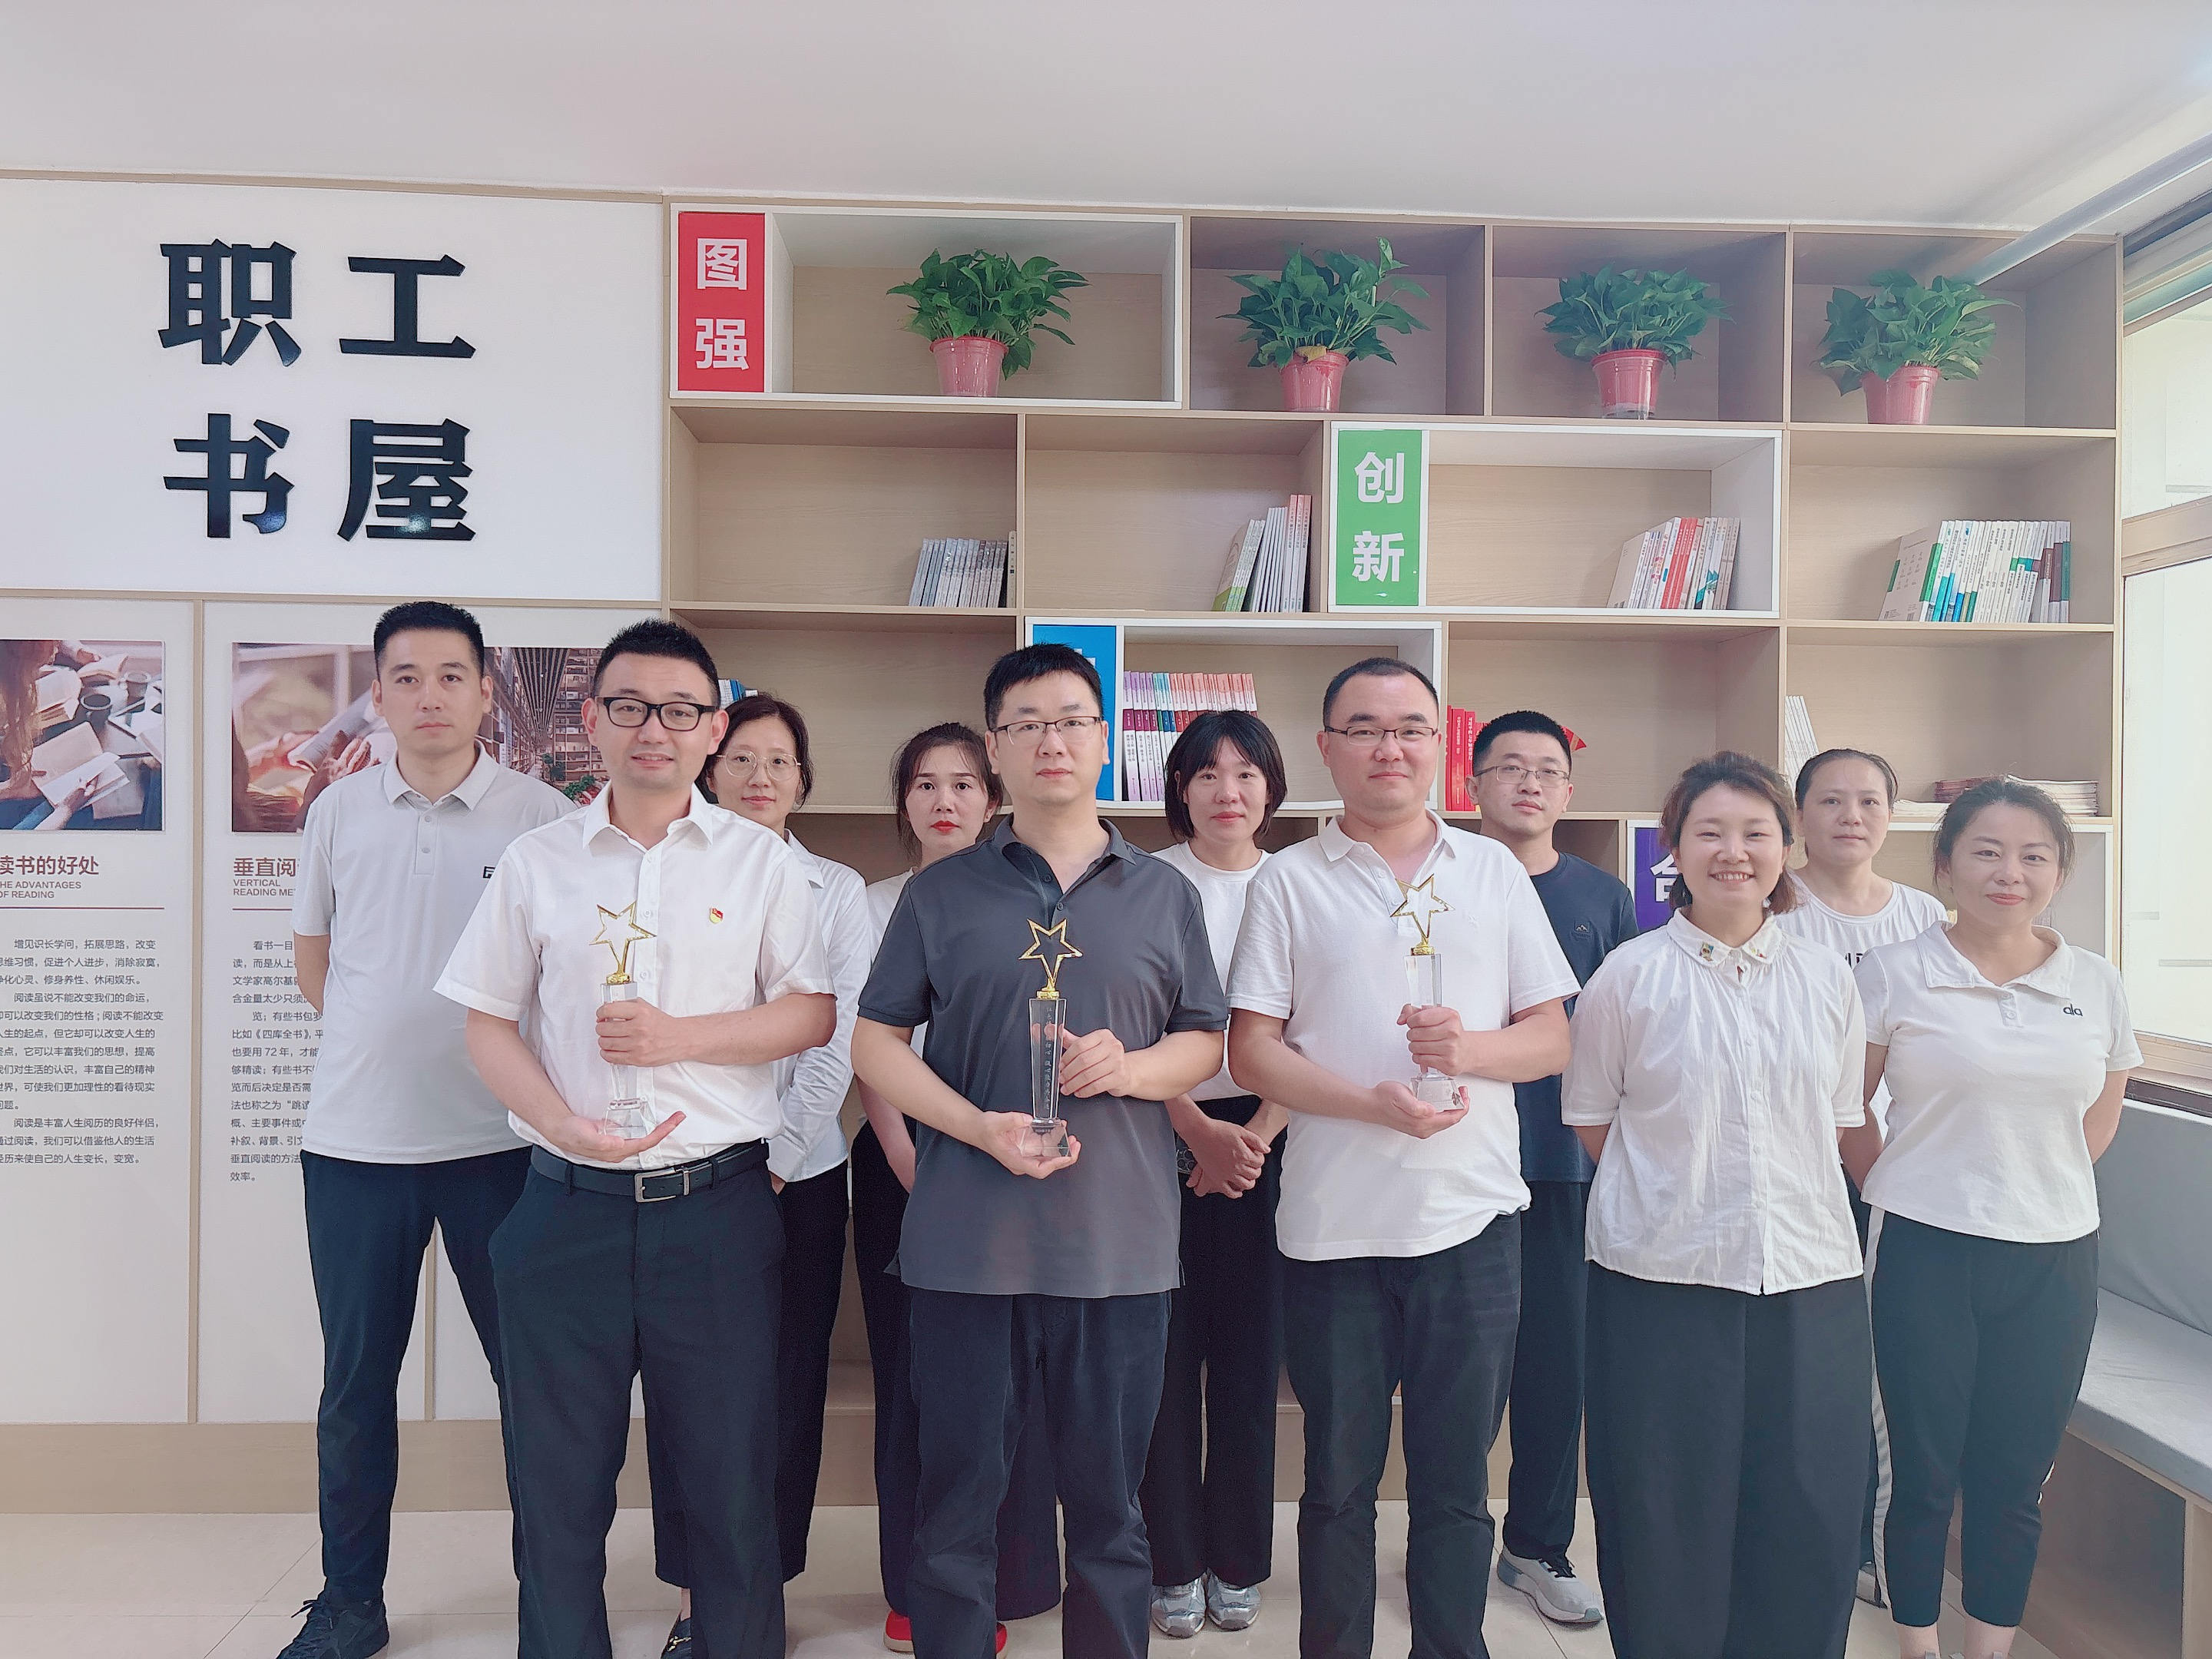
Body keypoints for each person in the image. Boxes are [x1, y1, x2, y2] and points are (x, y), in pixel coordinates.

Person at [436, 618, 836, 1659]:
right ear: (591, 720)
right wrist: (559, 1122)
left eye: (679, 710)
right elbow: (486, 1022)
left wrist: (680, 1038)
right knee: (557, 1491)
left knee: (731, 1485)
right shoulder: (537, 863)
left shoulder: (760, 864)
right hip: (565, 1209)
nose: (653, 728)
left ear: (712, 729)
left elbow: (810, 1014)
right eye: (629, 707)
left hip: (717, 1213)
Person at [852, 643, 1227, 1659]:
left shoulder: (1164, 893)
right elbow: (874, 1044)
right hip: (966, 1247)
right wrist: (976, 1127)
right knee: (956, 1508)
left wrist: (1132, 1068)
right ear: (996, 748)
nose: (1051, 740)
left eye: (1071, 720)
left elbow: (1206, 1039)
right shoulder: (940, 894)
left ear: (1104, 741)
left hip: (1120, 1249)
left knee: (1110, 1512)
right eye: (1027, 724)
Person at [1227, 657, 1578, 1659]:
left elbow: (1551, 1038)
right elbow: (1250, 1051)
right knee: (1337, 1483)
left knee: (1456, 1483)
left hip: (1471, 1222)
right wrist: (1367, 1105)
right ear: (1328, 747)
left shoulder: (1493, 871)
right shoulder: (1290, 878)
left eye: (1412, 728)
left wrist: (1467, 1052)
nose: (1391, 747)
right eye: (1366, 728)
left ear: (1440, 748)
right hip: (1332, 1230)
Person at [279, 601, 573, 1659]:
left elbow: (564, 980)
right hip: (355, 1147)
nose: (430, 695)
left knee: (533, 1389)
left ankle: (553, 1603)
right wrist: (387, 1044)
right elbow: (316, 964)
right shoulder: (337, 810)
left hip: (506, 1147)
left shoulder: (541, 817)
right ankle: (350, 1603)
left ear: (488, 690)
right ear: (378, 695)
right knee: (356, 1389)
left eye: (452, 675)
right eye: (406, 677)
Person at [1562, 751, 1870, 1659]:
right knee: (1662, 1508)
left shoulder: (1826, 976)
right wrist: (1680, 1197)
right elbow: (1593, 1121)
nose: (1733, 852)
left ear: (1787, 845)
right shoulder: (1628, 976)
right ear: (1675, 848)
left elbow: (1837, 1121)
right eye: (1710, 832)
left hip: (1809, 1273)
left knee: (1807, 1507)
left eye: (1755, 833)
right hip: (1661, 1278)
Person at [1846, 780, 2137, 1659]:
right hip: (1922, 1249)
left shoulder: (2096, 982)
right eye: (1986, 852)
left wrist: (2030, 1184)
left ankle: (1989, 1648)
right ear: (1945, 866)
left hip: (2055, 1254)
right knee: (1921, 1472)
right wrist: (1908, 1187)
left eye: (2033, 855)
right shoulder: (1892, 971)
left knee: (2015, 1477)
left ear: (2060, 872)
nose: (2010, 872)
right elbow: (1847, 1112)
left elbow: (2100, 1119)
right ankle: (1917, 1643)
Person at [647, 693, 873, 1657]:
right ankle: (696, 1596)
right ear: (710, 768)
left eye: (780, 762)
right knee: (689, 1389)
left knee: (785, 1386)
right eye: (741, 758)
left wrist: (777, 1156)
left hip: (800, 1176)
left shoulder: (835, 888)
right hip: (691, 1168)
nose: (759, 777)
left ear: (802, 782)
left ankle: (762, 1595)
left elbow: (840, 1031)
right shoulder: (666, 870)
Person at [853, 723, 1062, 1656]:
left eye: (965, 784)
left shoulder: (1034, 898)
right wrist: (912, 1161)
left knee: (1016, 1377)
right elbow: (872, 1046)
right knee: (918, 1381)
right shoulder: (875, 902)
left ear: (994, 799)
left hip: (1019, 1158)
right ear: (903, 802)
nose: (945, 801)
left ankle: (1012, 1578)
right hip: (910, 1160)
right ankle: (917, 1590)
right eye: (925, 784)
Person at [1465, 710, 1637, 1631]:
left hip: (1565, 1168)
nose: (1529, 783)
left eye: (1546, 770)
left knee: (1553, 1370)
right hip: (1455, 1159)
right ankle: (1450, 1540)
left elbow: (1625, 1037)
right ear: (1473, 785)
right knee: (1459, 1371)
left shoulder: (1603, 897)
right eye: (1509, 767)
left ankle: (1535, 1545)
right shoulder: (1443, 880)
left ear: (1568, 792)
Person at [1781, 746, 1946, 1605]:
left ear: (1893, 814)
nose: (1852, 816)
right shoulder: (1774, 907)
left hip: (1905, 1176)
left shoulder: (1925, 917)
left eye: (1870, 801)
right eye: (1831, 800)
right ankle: (1819, 1538)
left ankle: (1878, 1544)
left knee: (1890, 1368)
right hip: (1805, 1174)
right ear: (1799, 815)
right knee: (1817, 1367)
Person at [1140, 710, 1290, 1640]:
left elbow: (1323, 1024)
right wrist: (1194, 1129)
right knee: (1161, 1359)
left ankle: (1237, 1559)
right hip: (1158, 1132)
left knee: (1248, 1357)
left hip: (1272, 1136)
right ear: (1180, 788)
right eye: (1206, 774)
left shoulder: (1301, 882)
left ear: (1271, 787)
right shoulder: (1143, 881)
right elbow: (1123, 1018)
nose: (1227, 792)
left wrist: (1255, 1137)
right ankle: (1171, 1561)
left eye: (1245, 773)